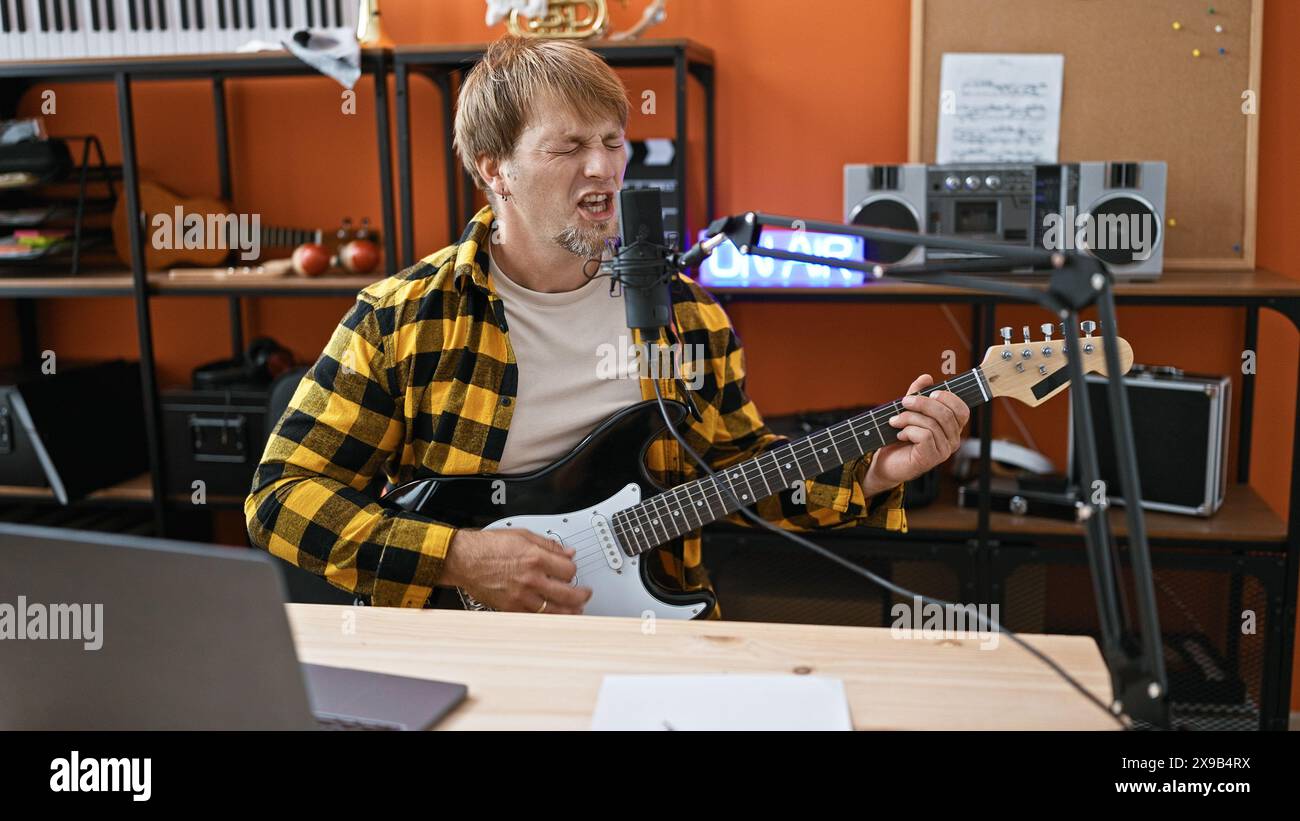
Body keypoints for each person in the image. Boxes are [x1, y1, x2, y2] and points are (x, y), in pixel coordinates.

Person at [244, 35, 970, 617]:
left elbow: (741, 472)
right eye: (569, 147)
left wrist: (876, 470)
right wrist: (457, 556)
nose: (605, 168)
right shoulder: (402, 318)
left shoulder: (684, 313)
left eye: (614, 141)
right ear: (496, 170)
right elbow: (278, 498)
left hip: (652, 636)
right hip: (467, 648)